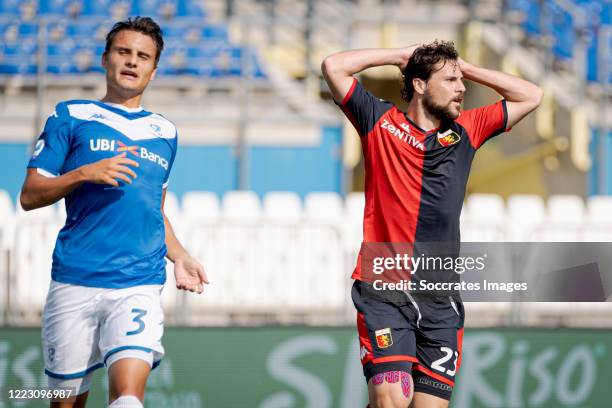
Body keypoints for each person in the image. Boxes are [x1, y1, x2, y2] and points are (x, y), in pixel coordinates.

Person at [322, 41, 542, 408]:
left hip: (440, 298)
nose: (462, 88)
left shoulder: (468, 129)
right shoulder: (379, 120)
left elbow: (531, 95)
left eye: (462, 80)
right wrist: (396, 56)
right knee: (394, 397)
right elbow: (334, 66)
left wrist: (464, 67)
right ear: (420, 84)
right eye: (451, 80)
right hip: (384, 288)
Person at [20, 17, 208, 408]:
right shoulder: (70, 115)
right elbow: (30, 195)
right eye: (124, 52)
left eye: (143, 56)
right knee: (63, 402)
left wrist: (181, 254)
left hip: (138, 280)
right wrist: (84, 173)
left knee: (127, 398)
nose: (132, 61)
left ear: (153, 70)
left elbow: (154, 209)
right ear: (106, 59)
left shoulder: (165, 132)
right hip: (75, 279)